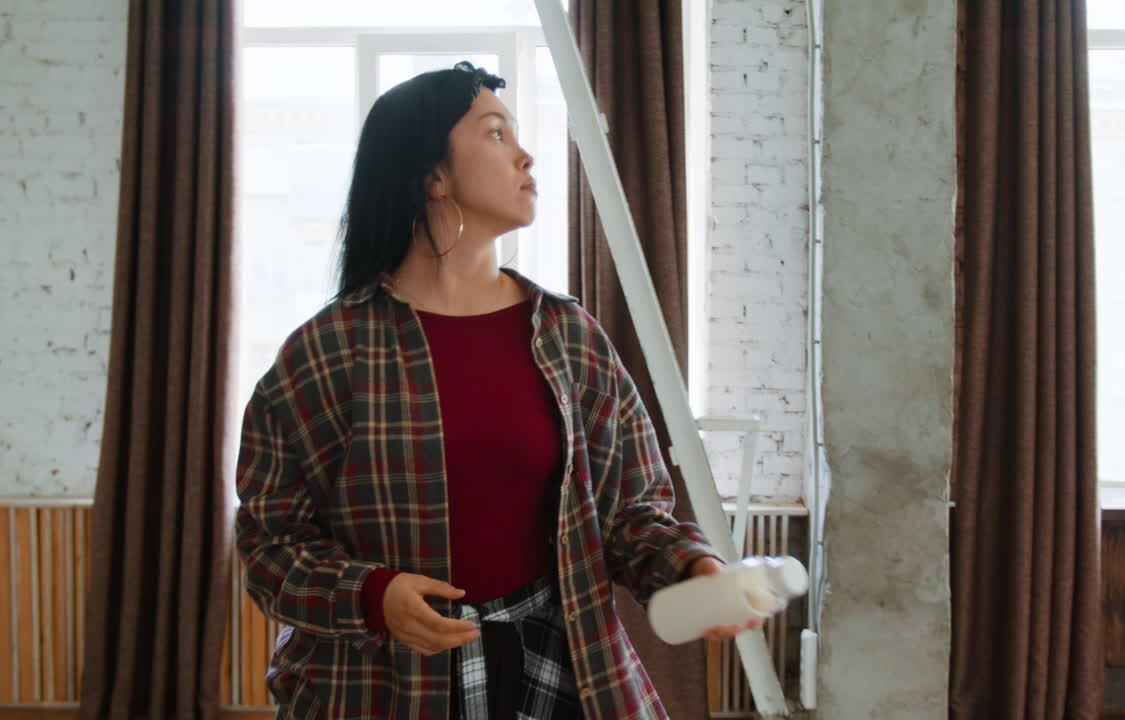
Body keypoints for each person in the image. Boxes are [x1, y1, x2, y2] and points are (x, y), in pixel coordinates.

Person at [234, 61, 761, 720]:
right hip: (377, 689)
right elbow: (268, 547)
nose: (525, 154)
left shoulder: (570, 337)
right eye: (495, 134)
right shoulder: (326, 354)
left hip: (558, 668)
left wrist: (693, 570)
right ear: (433, 175)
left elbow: (631, 514)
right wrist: (372, 596)